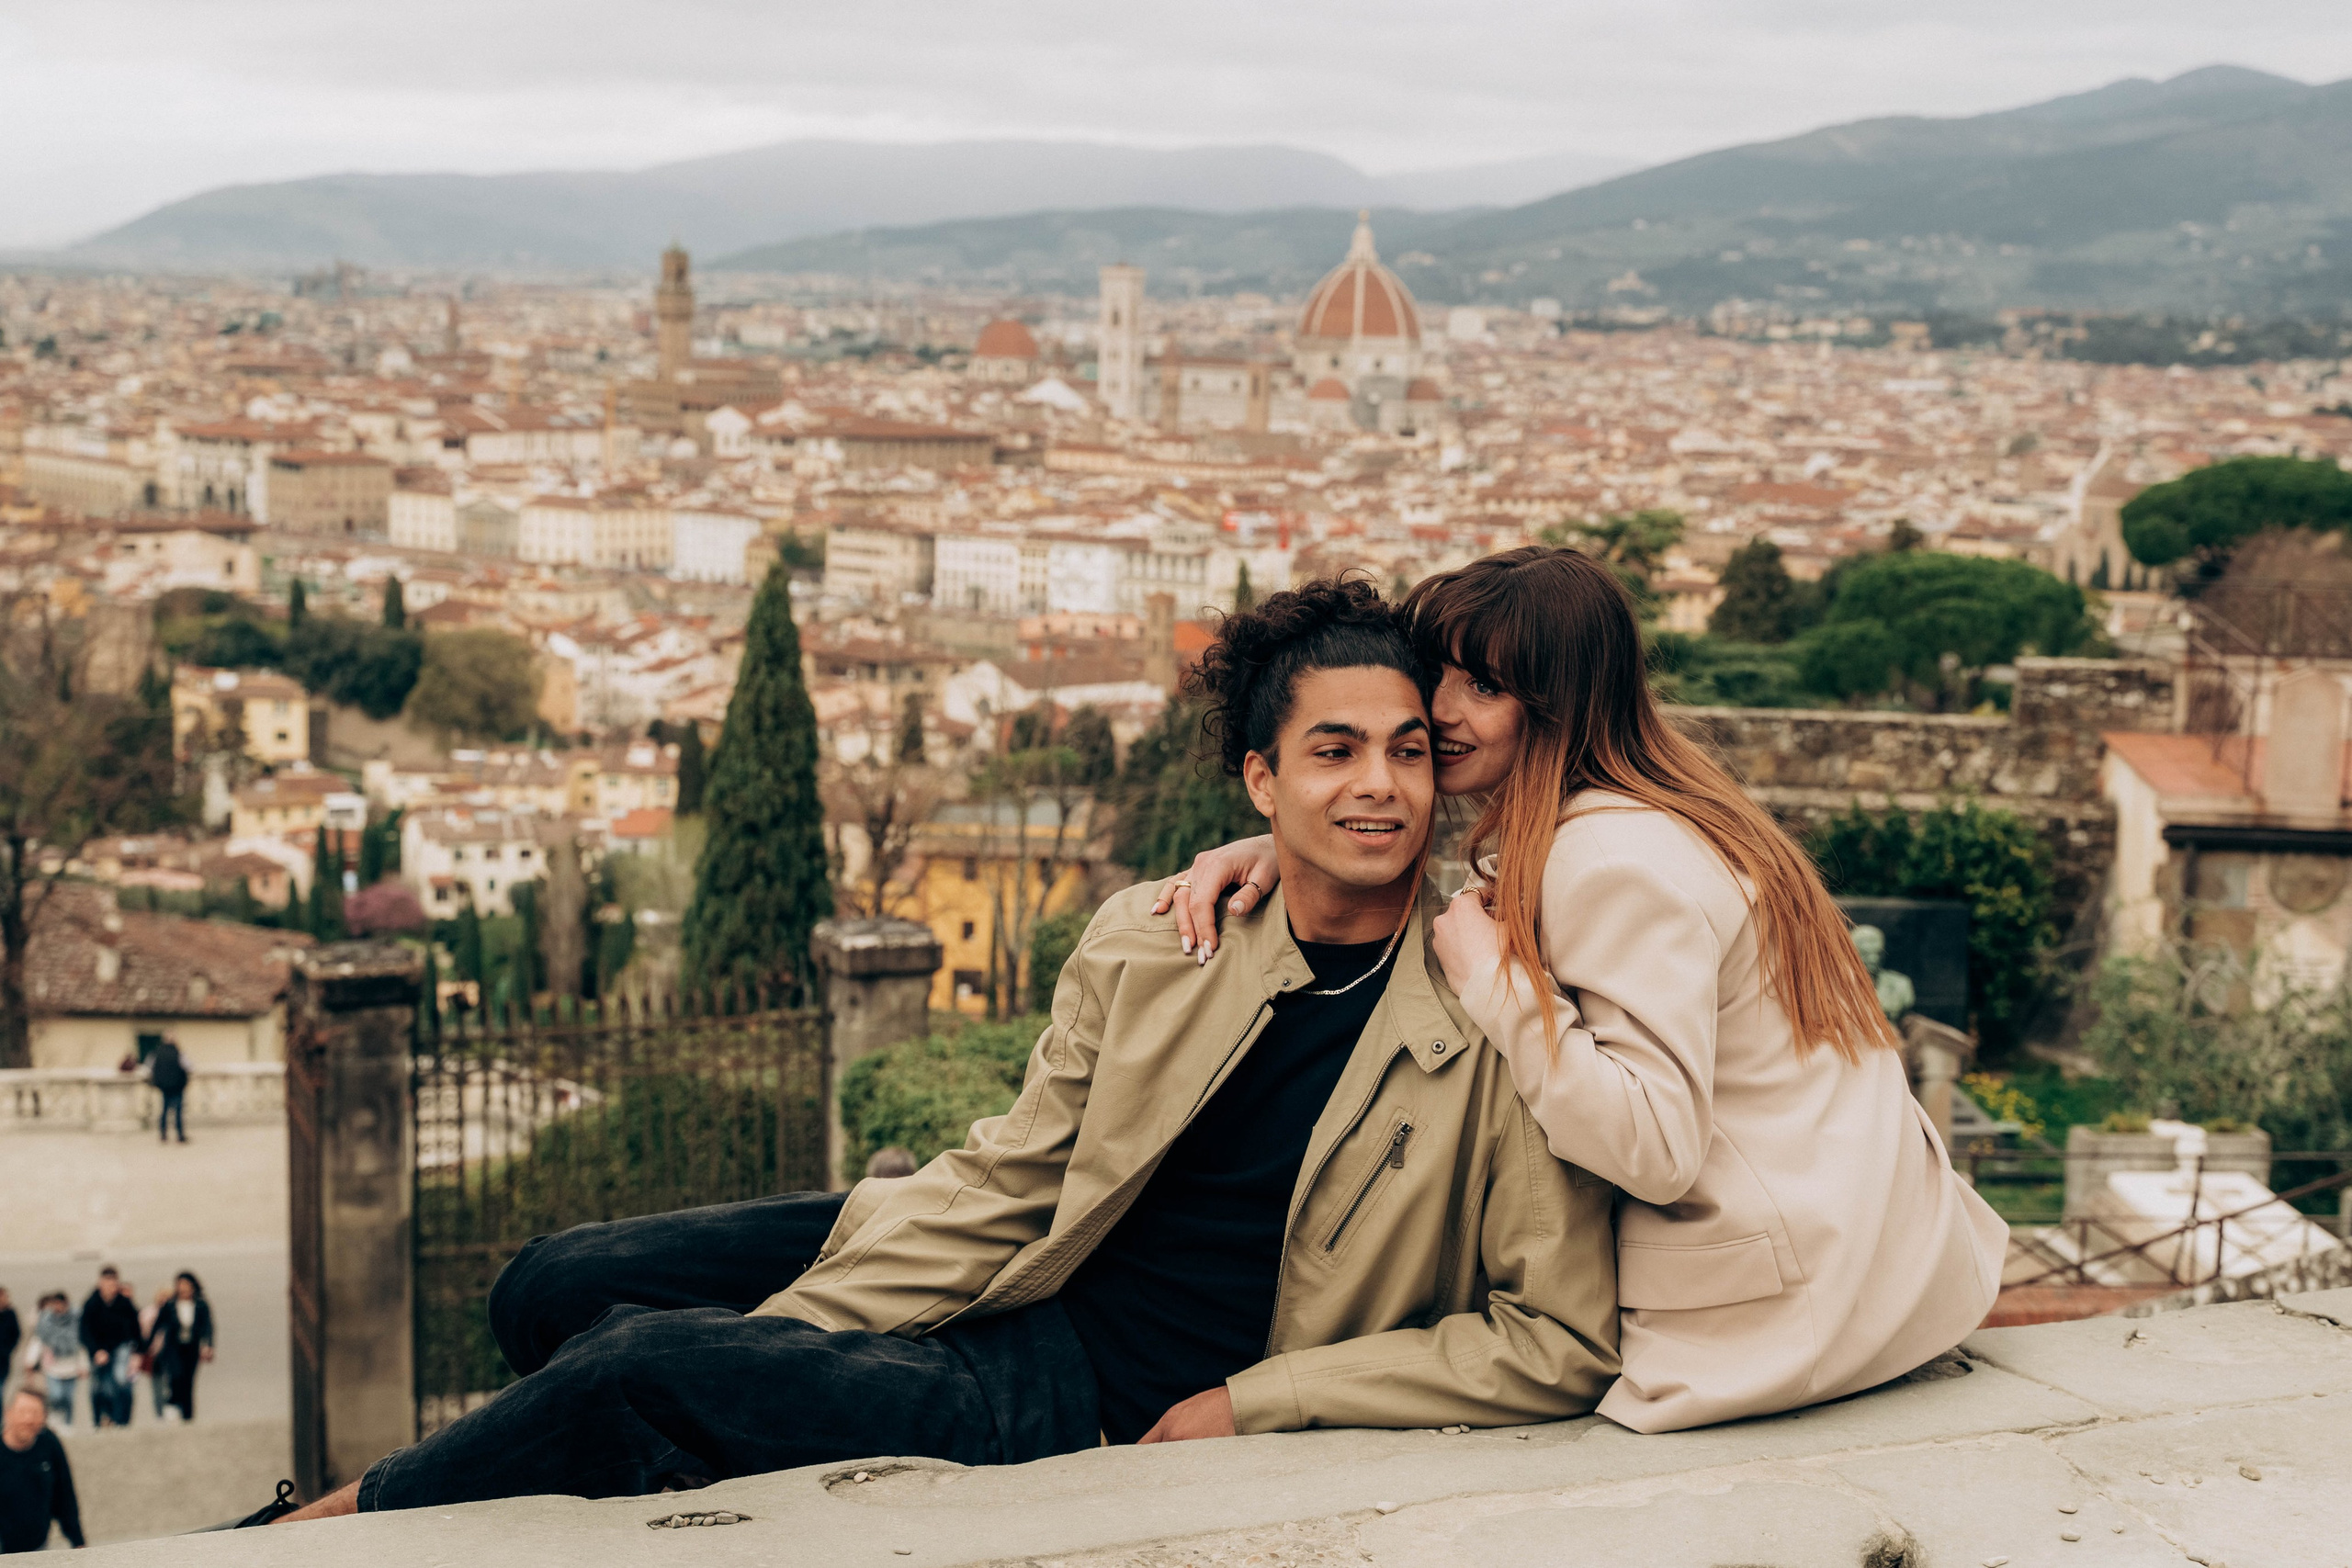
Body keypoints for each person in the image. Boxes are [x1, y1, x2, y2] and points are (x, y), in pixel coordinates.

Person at [258, 576, 1620, 1525]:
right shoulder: (1163, 940)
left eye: (1404, 750)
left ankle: (323, 1523)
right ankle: (663, 1431)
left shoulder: (1495, 1016)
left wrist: (1264, 1399)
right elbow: (1017, 1176)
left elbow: (1557, 1335)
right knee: (552, 1284)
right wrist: (817, 1317)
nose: (1379, 783)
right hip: (1012, 1257)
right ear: (1262, 782)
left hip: (1078, 1389)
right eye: (1333, 751)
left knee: (639, 1364)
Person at [1158, 546, 2007, 1433]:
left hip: (1779, 1319)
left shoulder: (1607, 860)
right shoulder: (1656, 810)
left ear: (1559, 707)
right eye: (1438, 674)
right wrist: (1287, 852)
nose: (1442, 709)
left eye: (1484, 688)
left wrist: (1497, 985)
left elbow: (1655, 1145)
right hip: (1879, 1265)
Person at [0, 1385, 84, 1553]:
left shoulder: (49, 1445)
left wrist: (78, 1542)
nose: (29, 1419)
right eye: (22, 1412)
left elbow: (65, 1496)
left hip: (38, 1546)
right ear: (8, 1413)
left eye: (36, 1413)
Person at [76, 1269, 141, 1428]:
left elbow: (135, 1328)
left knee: (120, 1379)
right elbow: (84, 1331)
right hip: (98, 1350)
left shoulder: (124, 1303)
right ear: (100, 1283)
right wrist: (96, 1351)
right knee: (99, 1386)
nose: (111, 1287)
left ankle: (120, 1419)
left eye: (114, 1284)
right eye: (107, 1283)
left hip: (120, 1347)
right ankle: (100, 1420)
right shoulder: (91, 1303)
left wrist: (138, 1352)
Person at [145, 1274, 213, 1424]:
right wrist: (147, 1345)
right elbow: (158, 1325)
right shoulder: (170, 1305)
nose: (183, 1289)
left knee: (188, 1381)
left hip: (191, 1348)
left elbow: (207, 1326)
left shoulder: (200, 1305)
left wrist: (208, 1345)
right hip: (173, 1348)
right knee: (176, 1376)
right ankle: (172, 1403)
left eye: (186, 1285)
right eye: (180, 1285)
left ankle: (187, 1416)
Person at [18, 1301, 83, 1432]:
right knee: (55, 1395)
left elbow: (80, 1346)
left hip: (70, 1366)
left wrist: (83, 1365)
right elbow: (38, 1342)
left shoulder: (74, 1323)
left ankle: (67, 1423)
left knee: (68, 1398)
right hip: (51, 1367)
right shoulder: (45, 1325)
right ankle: (53, 1421)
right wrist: (30, 1363)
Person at [149, 1032, 190, 1145]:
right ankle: (180, 1135)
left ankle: (163, 1134)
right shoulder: (178, 1053)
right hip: (177, 1086)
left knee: (164, 1110)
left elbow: (149, 1066)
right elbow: (188, 1066)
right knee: (178, 1111)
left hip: (164, 1086)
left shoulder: (157, 1053)